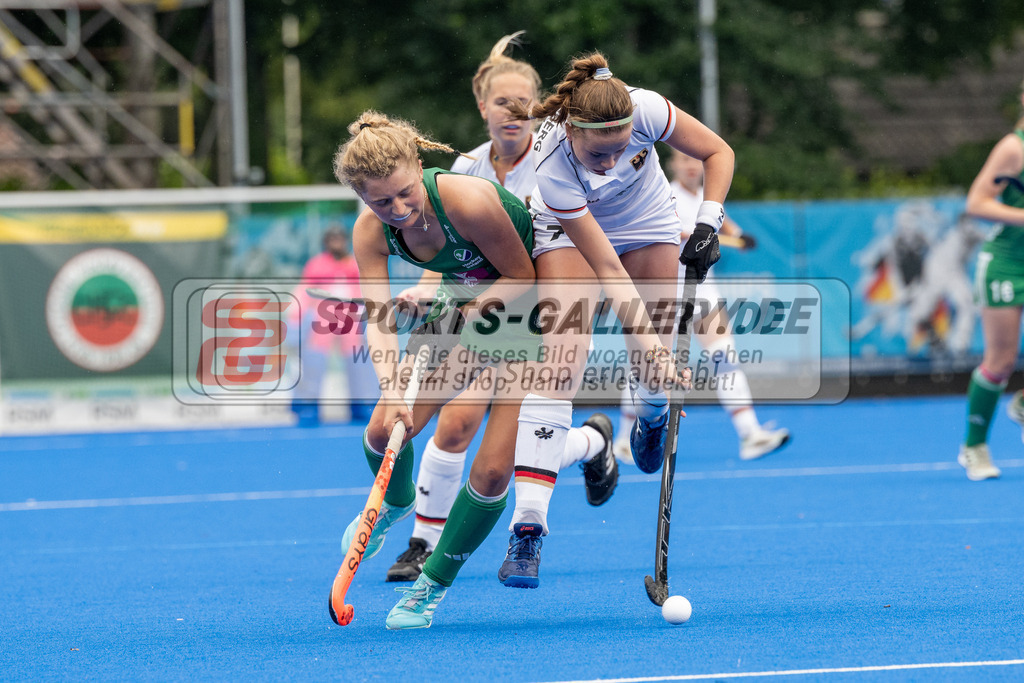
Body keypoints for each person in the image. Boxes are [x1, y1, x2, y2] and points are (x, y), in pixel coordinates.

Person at [333, 109, 615, 630]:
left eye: (404, 194)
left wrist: (469, 312)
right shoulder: (370, 231)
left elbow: (522, 274)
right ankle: (394, 504)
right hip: (461, 306)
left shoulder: (468, 200)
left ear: (418, 167)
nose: (397, 210)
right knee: (383, 429)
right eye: (380, 202)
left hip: (527, 313)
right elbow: (378, 319)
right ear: (361, 198)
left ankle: (429, 588)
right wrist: (392, 389)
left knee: (490, 472)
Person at [386, 32, 619, 585]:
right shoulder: (465, 166)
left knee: (508, 458)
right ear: (481, 106)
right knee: (453, 424)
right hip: (481, 312)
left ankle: (591, 442)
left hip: (540, 315)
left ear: (537, 106)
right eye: (500, 102)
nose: (511, 112)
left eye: (522, 102)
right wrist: (426, 288)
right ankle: (422, 543)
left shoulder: (558, 159)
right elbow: (444, 244)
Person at [500, 52, 732, 583]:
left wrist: (707, 223)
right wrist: (652, 344)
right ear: (572, 133)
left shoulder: (646, 108)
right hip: (569, 233)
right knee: (561, 361)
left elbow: (718, 151)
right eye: (597, 154)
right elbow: (606, 267)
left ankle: (652, 414)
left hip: (647, 220)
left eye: (621, 149)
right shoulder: (552, 164)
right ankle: (528, 528)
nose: (608, 163)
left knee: (652, 368)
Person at [612, 150, 790, 461]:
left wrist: (737, 235)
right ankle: (625, 440)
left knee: (725, 356)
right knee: (648, 366)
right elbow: (668, 230)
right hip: (668, 289)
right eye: (684, 160)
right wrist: (699, 234)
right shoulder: (664, 192)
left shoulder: (705, 197)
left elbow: (720, 219)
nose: (691, 166)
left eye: (695, 160)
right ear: (673, 164)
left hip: (703, 289)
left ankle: (750, 434)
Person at [959, 79, 1024, 482]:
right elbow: (976, 202)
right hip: (1006, 263)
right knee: (1000, 361)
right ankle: (975, 446)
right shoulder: (1013, 148)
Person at [288, 225, 372, 425]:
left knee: (359, 363)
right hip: (322, 319)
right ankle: (307, 407)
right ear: (326, 242)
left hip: (351, 319)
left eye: (340, 239)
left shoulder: (355, 264)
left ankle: (363, 406)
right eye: (332, 239)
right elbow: (305, 290)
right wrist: (295, 318)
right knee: (313, 362)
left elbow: (365, 290)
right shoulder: (316, 265)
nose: (337, 243)